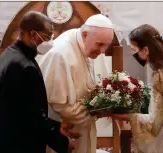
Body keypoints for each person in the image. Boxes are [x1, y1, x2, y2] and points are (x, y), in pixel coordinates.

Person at [0, 11, 76, 153]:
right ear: (33, 34)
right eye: (47, 36)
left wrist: (57, 126)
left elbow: (21, 109)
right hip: (16, 145)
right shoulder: (23, 66)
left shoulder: (8, 55)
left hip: (1, 139)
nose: (50, 42)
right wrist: (62, 143)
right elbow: (31, 119)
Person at [35, 14, 114, 153]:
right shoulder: (60, 54)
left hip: (82, 125)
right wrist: (96, 111)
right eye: (100, 44)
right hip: (63, 130)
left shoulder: (82, 40)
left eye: (106, 46)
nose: (102, 51)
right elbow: (59, 106)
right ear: (85, 35)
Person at [111, 24, 163, 153]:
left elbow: (157, 125)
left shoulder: (161, 76)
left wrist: (129, 117)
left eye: (134, 50)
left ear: (145, 50)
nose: (133, 54)